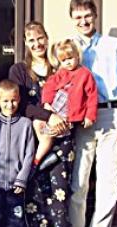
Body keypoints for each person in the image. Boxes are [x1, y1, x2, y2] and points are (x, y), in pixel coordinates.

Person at [67, 0, 117, 227]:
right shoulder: (69, 47)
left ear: (95, 16)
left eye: (87, 15)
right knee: (78, 182)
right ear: (71, 19)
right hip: (81, 121)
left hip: (111, 116)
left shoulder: (115, 45)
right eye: (78, 17)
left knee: (109, 183)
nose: (83, 21)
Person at [9, 21, 73, 227]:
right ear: (25, 43)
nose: (37, 44)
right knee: (33, 199)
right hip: (32, 143)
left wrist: (66, 121)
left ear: (47, 38)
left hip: (61, 141)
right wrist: (48, 116)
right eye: (31, 40)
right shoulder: (19, 71)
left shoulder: (60, 68)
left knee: (59, 198)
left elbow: (74, 97)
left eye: (40, 39)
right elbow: (21, 105)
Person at [35, 39, 98, 167]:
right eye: (63, 60)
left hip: (70, 111)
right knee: (38, 124)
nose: (68, 63)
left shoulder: (85, 74)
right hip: (56, 106)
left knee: (50, 134)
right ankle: (47, 156)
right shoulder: (61, 73)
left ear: (77, 56)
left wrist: (89, 116)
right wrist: (46, 103)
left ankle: (37, 160)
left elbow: (92, 96)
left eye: (70, 58)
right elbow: (49, 87)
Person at [0, 79, 35, 227]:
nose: (9, 105)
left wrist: (22, 178)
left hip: (16, 186)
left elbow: (29, 154)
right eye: (5, 101)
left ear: (19, 99)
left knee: (16, 222)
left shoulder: (25, 124)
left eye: (13, 100)